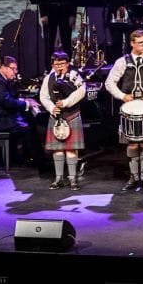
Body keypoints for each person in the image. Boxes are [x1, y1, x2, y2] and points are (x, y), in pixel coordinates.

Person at [105, 29, 143, 192]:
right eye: (140, 42)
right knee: (132, 144)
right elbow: (109, 83)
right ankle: (134, 176)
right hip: (129, 109)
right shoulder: (122, 62)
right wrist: (122, 96)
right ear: (132, 43)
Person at [0, 55, 42, 168]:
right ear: (3, 67)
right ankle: (36, 161)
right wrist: (27, 104)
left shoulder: (1, 79)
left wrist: (23, 100)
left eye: (16, 69)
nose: (15, 72)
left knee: (28, 121)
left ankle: (28, 157)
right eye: (13, 68)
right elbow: (7, 102)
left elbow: (8, 98)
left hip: (1, 117)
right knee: (27, 129)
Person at [39, 51, 86, 190]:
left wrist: (66, 102)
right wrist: (52, 108)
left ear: (67, 64)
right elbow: (44, 96)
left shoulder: (73, 75)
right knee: (57, 149)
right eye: (56, 64)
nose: (59, 67)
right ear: (52, 65)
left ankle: (73, 179)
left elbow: (82, 90)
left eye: (62, 64)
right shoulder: (48, 78)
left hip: (71, 115)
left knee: (71, 149)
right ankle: (58, 178)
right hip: (56, 116)